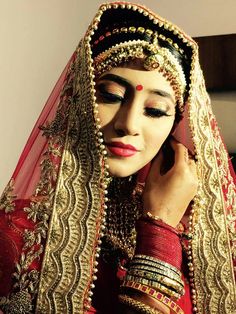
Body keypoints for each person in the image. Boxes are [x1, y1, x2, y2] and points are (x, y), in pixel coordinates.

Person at [0, 2, 235, 314]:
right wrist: (160, 226)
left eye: (155, 110)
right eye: (110, 96)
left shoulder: (206, 237)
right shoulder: (18, 232)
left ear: (175, 127)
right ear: (80, 100)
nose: (129, 124)